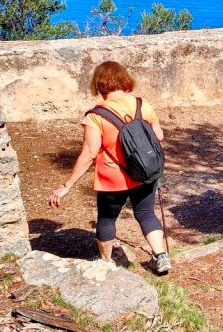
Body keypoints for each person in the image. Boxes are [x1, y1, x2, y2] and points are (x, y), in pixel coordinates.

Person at [49, 61, 171, 274]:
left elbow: (89, 153)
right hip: (144, 172)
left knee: (106, 219)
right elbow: (159, 136)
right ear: (124, 79)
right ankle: (161, 256)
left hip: (113, 178)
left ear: (99, 84)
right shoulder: (142, 105)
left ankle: (106, 264)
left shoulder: (95, 116)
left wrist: (66, 185)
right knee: (145, 213)